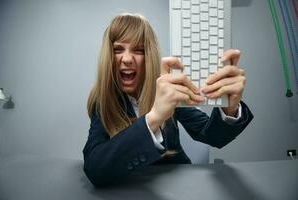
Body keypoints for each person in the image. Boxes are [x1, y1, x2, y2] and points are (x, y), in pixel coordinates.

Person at [83, 13, 253, 187]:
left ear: (149, 55)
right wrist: (154, 117)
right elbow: (94, 169)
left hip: (178, 185)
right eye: (118, 49)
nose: (127, 59)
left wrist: (230, 109)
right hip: (130, 188)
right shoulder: (102, 101)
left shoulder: (168, 89)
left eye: (139, 50)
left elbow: (213, 136)